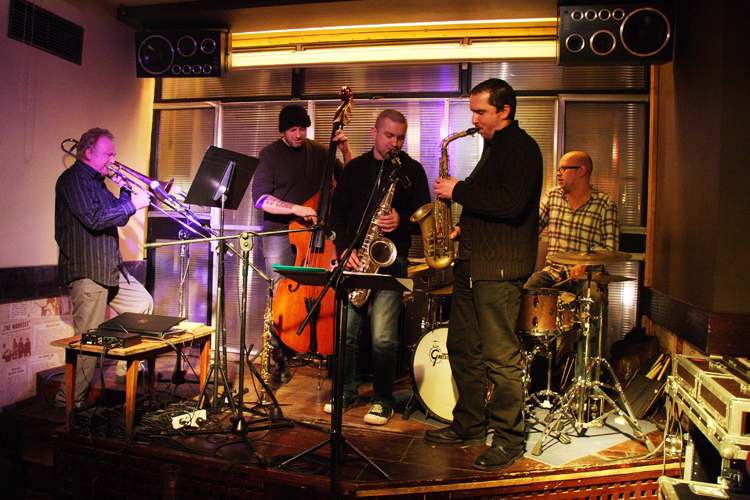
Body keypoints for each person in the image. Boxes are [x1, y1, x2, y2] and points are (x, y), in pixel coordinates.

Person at [424, 79, 543, 471]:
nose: (474, 119)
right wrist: (465, 227)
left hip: (499, 270)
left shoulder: (522, 148)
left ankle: (509, 440)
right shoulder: (493, 147)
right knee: (462, 347)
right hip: (473, 264)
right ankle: (469, 425)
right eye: (473, 111)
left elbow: (512, 205)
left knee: (500, 358)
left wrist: (458, 190)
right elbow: (492, 205)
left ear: (504, 110)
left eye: (481, 112)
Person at [327, 109, 430, 426]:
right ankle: (345, 392)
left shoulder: (412, 171)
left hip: (391, 260)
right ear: (374, 133)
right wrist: (344, 249)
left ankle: (382, 401)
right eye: (389, 136)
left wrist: (402, 221)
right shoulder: (355, 169)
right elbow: (336, 216)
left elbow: (424, 220)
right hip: (355, 259)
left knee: (383, 337)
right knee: (345, 334)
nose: (395, 143)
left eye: (400, 137)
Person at [54, 127, 154, 411]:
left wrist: (126, 191)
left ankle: (125, 371)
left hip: (109, 268)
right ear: (88, 153)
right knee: (88, 342)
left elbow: (118, 218)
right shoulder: (73, 180)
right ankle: (68, 403)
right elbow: (95, 219)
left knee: (142, 303)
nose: (113, 159)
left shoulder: (98, 183)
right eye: (108, 154)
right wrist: (133, 204)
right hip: (88, 270)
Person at [251, 104, 352, 384]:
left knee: (327, 289)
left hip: (317, 236)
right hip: (280, 233)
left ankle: (326, 349)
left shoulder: (319, 151)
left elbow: (348, 180)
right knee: (281, 295)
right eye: (293, 130)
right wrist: (296, 209)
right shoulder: (269, 154)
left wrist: (345, 151)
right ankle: (281, 359)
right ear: (283, 130)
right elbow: (261, 199)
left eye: (303, 129)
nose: (299, 134)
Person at [524, 150, 619, 378]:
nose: (558, 173)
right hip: (554, 273)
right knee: (526, 292)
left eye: (563, 169)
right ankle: (536, 370)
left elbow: (611, 248)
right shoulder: (553, 196)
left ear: (582, 171)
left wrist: (586, 264)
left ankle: (585, 379)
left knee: (594, 300)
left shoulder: (604, 203)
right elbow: (530, 228)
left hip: (587, 278)